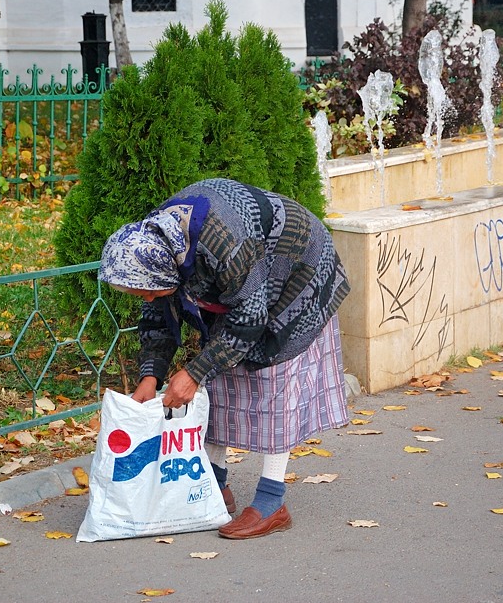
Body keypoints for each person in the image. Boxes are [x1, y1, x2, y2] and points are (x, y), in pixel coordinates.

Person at [98, 178, 351, 539]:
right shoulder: (157, 246)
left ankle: (271, 502)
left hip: (299, 272)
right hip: (246, 283)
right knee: (217, 383)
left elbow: (249, 321)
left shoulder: (225, 244)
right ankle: (214, 485)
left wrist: (195, 371)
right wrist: (150, 376)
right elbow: (157, 314)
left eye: (146, 291)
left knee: (273, 382)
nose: (146, 299)